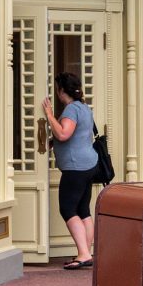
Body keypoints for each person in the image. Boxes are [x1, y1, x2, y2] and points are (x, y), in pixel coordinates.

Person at [43, 72, 98, 269]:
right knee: (82, 209)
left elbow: (65, 133)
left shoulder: (71, 110)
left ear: (61, 91)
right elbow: (76, 135)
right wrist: (52, 142)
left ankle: (83, 254)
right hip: (88, 164)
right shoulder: (84, 107)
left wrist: (49, 116)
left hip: (76, 167)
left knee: (67, 209)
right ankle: (86, 252)